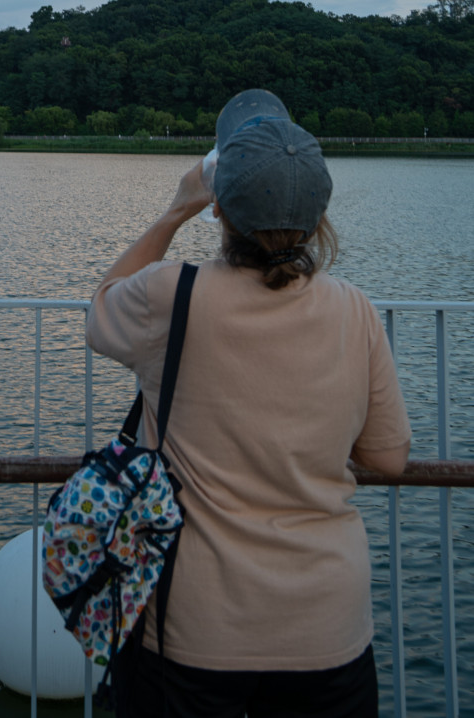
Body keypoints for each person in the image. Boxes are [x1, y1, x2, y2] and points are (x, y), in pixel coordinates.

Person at [86, 89, 410, 718]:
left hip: (194, 627)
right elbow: (389, 458)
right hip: (327, 626)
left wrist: (174, 212)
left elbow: (101, 311)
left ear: (222, 209)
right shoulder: (355, 311)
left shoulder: (170, 296)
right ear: (319, 218)